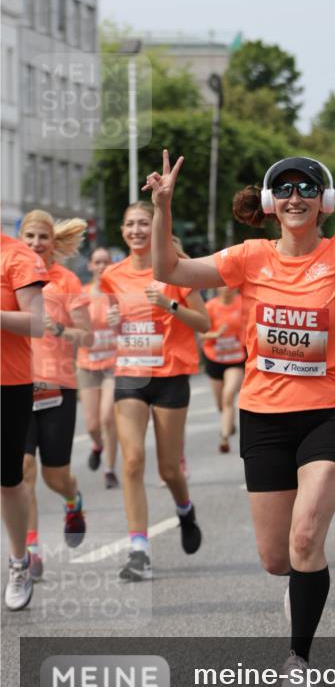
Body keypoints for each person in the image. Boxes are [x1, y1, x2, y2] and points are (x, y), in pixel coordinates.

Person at [144, 108, 335, 687]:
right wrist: (162, 210)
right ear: (271, 202)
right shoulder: (249, 258)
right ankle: (300, 583)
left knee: (307, 535)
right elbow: (168, 267)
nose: (295, 196)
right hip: (264, 415)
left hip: (332, 411)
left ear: (323, 202)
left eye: (307, 187)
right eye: (284, 189)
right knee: (277, 558)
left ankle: (298, 662)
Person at [100, 202, 210, 580]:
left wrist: (169, 303)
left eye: (144, 223)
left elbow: (205, 323)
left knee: (168, 467)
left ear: (156, 228)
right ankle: (139, 550)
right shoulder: (111, 276)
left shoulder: (176, 268)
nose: (136, 230)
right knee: (131, 461)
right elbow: (114, 327)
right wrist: (112, 322)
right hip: (130, 374)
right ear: (122, 230)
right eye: (130, 224)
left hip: (170, 376)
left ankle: (184, 509)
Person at [20, 211, 93, 580]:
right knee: (23, 470)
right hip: (16, 384)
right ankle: (31, 550)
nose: (35, 243)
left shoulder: (65, 281)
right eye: (29, 236)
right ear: (21, 238)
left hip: (58, 387)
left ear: (53, 241)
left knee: (55, 476)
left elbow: (88, 336)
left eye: (42, 237)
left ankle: (72, 499)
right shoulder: (11, 277)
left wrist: (61, 328)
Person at [1, 234, 48, 609]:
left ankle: (18, 561)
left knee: (8, 480)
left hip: (7, 383)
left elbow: (37, 323)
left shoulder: (17, 257)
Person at [77, 247, 120, 489]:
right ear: (90, 266)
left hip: (112, 365)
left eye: (106, 262)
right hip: (87, 366)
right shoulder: (81, 294)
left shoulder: (117, 295)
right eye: (97, 262)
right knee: (92, 424)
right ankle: (97, 445)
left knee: (108, 418)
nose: (102, 266)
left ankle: (110, 469)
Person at [201, 286, 246, 452]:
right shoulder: (210, 306)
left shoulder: (243, 304)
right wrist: (215, 334)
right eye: (222, 287)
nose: (226, 290)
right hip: (214, 358)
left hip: (236, 359)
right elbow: (201, 333)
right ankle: (229, 424)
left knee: (228, 396)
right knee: (221, 404)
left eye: (230, 287)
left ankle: (224, 438)